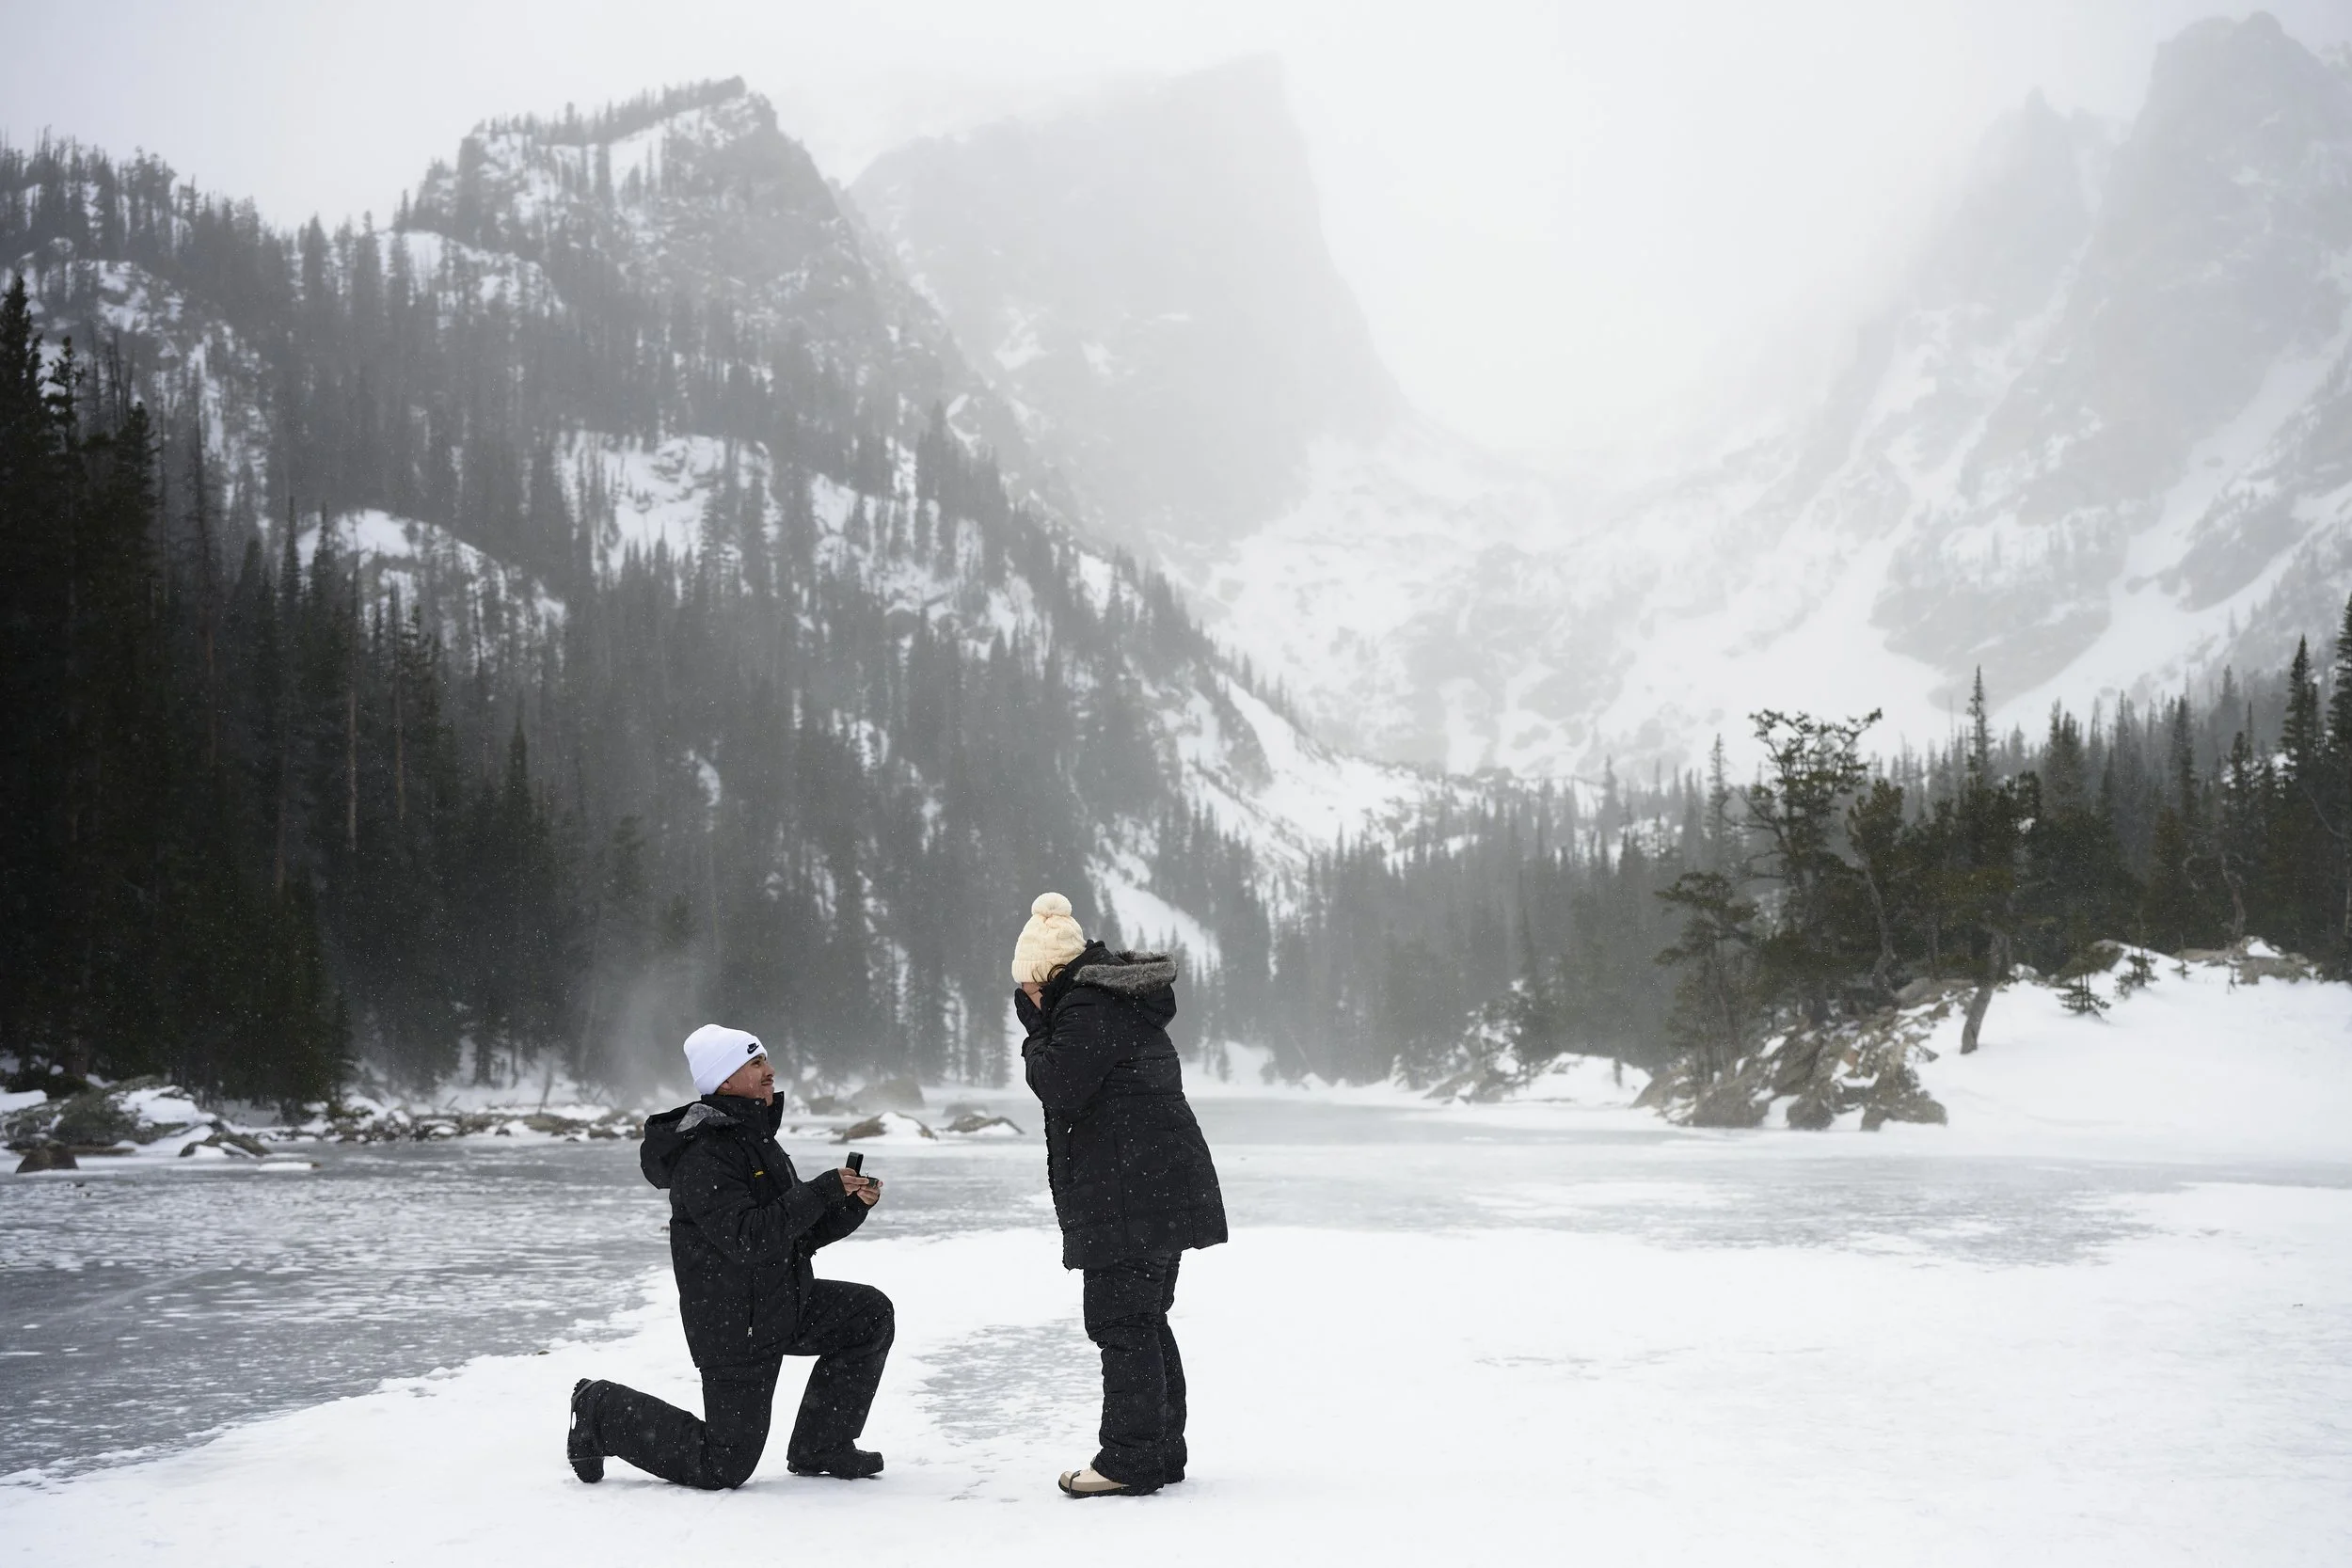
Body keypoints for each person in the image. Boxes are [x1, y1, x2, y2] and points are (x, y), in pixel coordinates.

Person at [566, 1024, 892, 1490]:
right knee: (724, 1465)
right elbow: (747, 1239)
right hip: (733, 1326)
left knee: (869, 1315)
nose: (770, 1071)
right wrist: (820, 1190)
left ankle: (823, 1445)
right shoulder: (705, 1154)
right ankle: (600, 1409)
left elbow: (792, 1236)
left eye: (766, 1061)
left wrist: (849, 1206)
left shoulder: (755, 1140)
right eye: (756, 1063)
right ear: (723, 1080)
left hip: (778, 1303)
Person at [1012, 892, 1228, 1497]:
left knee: (1121, 1322)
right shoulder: (1113, 1001)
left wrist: (1036, 1029)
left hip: (1130, 1192)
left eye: (1028, 988)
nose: (1026, 999)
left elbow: (1058, 1084)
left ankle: (1131, 1458)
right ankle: (1159, 1452)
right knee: (1141, 1319)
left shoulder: (1086, 1006)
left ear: (1044, 975)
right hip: (1149, 1186)